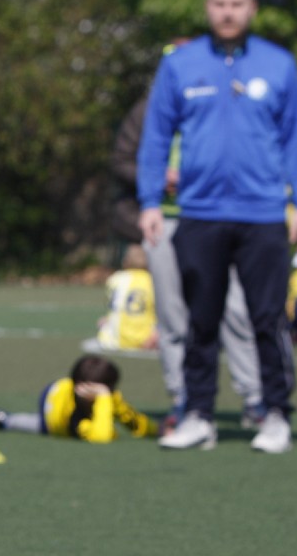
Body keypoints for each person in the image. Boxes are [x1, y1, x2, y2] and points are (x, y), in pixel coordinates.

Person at [138, 0, 297, 454]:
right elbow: (156, 135)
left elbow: (295, 138)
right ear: (208, 8)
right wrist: (149, 200)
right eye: (220, 4)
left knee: (267, 319)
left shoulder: (279, 65)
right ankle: (198, 415)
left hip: (264, 214)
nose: (228, 12)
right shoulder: (180, 64)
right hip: (200, 212)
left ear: (252, 8)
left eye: (237, 4)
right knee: (200, 320)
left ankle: (275, 415)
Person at [112, 87, 264, 427]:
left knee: (235, 309)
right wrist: (157, 177)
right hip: (164, 222)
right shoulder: (150, 106)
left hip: (219, 218)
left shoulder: (229, 96)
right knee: (173, 315)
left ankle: (255, 398)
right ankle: (184, 400)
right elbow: (122, 160)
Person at [0, 353, 157, 443]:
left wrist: (159, 429)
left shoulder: (108, 395)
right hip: (50, 407)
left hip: (64, 387)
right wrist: (103, 398)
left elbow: (132, 420)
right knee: (36, 425)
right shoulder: (73, 416)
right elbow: (102, 437)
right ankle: (6, 419)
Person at [85, 244, 159, 353]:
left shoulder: (115, 279)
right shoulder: (153, 281)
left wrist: (109, 319)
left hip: (110, 340)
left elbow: (118, 304)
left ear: (125, 261)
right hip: (143, 340)